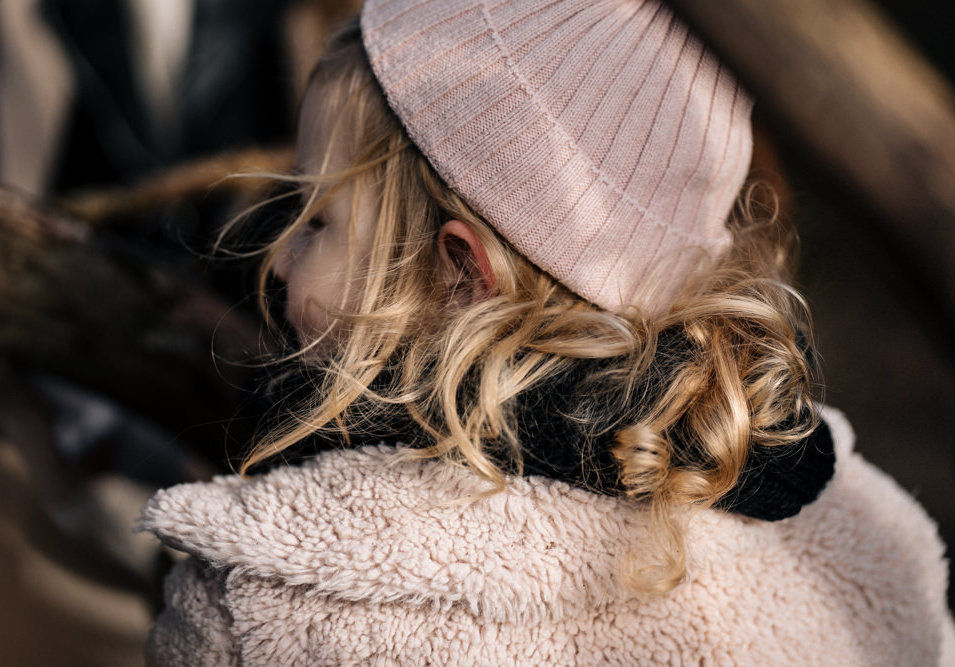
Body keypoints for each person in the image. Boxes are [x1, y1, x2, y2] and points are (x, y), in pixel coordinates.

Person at [140, 0, 955, 663]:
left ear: (461, 276)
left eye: (319, 220)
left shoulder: (267, 598)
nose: (278, 261)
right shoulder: (871, 548)